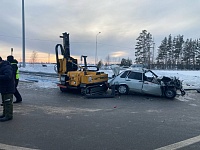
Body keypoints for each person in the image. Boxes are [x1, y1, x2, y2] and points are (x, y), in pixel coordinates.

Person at [0, 56, 15, 121]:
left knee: (8, 101)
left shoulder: (6, 67)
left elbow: (8, 76)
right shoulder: (2, 66)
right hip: (4, 87)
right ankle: (5, 113)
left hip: (8, 87)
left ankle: (8, 116)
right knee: (4, 101)